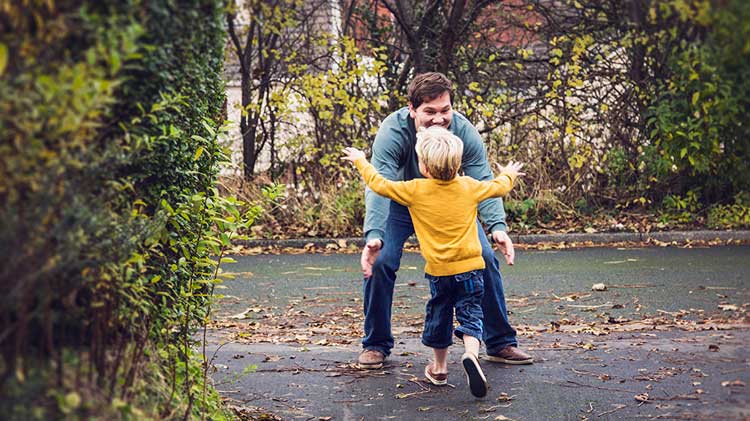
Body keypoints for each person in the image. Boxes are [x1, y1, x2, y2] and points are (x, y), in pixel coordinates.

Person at [354, 72, 533, 370]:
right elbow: (379, 181)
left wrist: (497, 227)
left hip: (449, 201)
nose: (439, 118)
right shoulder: (393, 131)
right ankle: (376, 344)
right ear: (412, 110)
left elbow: (483, 180)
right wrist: (374, 234)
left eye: (445, 110)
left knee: (485, 258)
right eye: (429, 112)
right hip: (401, 201)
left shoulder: (464, 131)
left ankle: (500, 341)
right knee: (382, 261)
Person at [342, 126, 525, 397]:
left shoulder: (415, 190)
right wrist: (510, 172)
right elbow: (499, 187)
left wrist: (360, 161)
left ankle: (439, 368)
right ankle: (472, 354)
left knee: (439, 316)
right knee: (471, 314)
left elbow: (379, 184)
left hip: (439, 273)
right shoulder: (469, 187)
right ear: (459, 164)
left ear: (424, 167)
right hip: (472, 269)